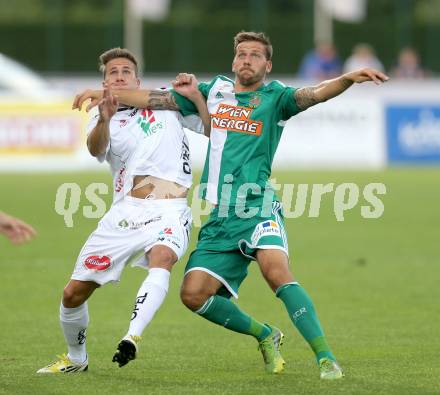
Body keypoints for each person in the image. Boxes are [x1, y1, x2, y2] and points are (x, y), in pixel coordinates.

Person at [73, 32, 388, 380]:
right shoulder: (214, 91)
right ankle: (266, 335)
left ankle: (326, 358)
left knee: (276, 273)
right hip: (219, 214)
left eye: (255, 55)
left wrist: (345, 79)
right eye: (241, 54)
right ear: (234, 61)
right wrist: (106, 94)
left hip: (257, 205)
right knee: (193, 295)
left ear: (267, 65)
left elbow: (313, 93)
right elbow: (155, 98)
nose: (247, 60)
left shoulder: (276, 97)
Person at [37, 48, 210, 374]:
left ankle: (132, 336)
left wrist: (199, 99)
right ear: (105, 80)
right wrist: (103, 116)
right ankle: (76, 360)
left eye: (125, 71)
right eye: (112, 72)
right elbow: (96, 149)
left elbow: (210, 129)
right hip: (124, 213)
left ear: (137, 79)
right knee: (73, 294)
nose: (119, 75)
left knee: (163, 258)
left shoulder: (166, 103)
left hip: (170, 209)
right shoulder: (104, 113)